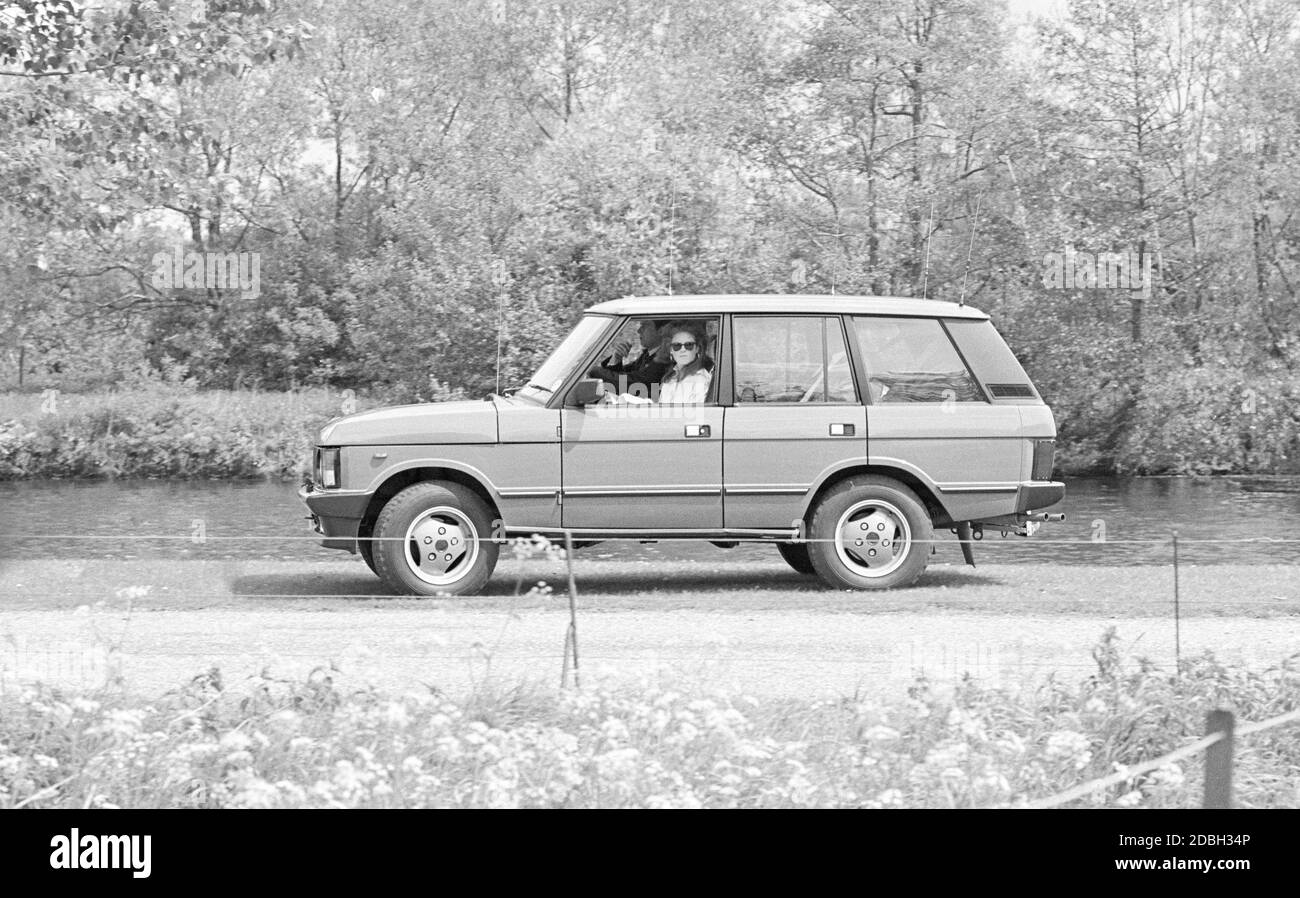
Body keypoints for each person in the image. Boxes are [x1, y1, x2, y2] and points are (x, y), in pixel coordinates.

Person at [601, 320, 713, 405]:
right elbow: (663, 405)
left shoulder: (698, 379)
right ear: (670, 349)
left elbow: (678, 416)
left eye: (688, 345)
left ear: (697, 348)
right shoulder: (671, 376)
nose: (682, 350)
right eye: (676, 346)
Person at [589, 318, 670, 392]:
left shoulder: (664, 360)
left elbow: (633, 383)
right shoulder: (647, 355)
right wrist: (616, 359)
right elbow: (624, 375)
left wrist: (592, 370)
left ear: (661, 331)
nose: (639, 330)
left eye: (645, 326)